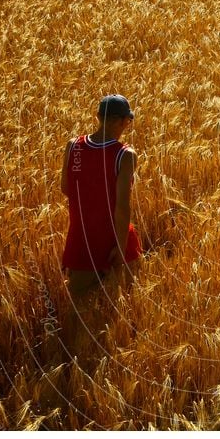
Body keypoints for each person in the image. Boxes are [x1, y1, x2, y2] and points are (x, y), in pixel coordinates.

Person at [60, 94, 142, 303]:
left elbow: (66, 188)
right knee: (121, 308)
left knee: (79, 312)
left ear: (98, 116)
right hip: (115, 242)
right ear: (122, 121)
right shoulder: (124, 155)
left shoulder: (73, 146)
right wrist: (121, 248)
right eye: (128, 121)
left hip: (81, 243)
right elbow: (122, 207)